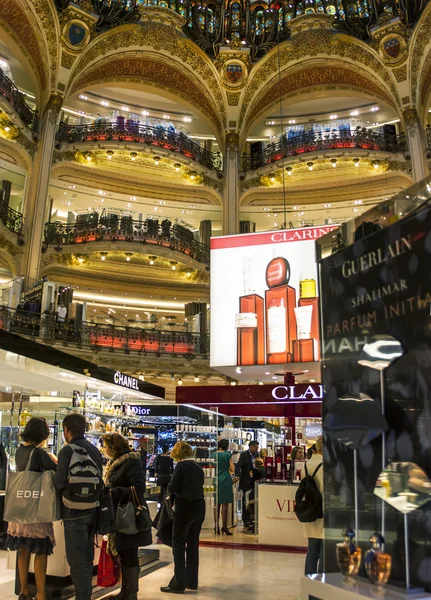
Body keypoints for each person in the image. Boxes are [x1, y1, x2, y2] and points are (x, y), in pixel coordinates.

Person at [6, 417, 57, 600]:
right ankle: (41, 594)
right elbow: (56, 469)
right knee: (41, 551)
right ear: (42, 434)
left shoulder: (19, 451)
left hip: (20, 509)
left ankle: (23, 591)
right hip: (36, 508)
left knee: (23, 549)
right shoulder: (40, 453)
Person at [54, 413, 103, 600]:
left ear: (66, 431)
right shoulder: (94, 450)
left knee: (76, 562)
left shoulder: (67, 451)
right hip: (93, 510)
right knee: (87, 559)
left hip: (72, 512)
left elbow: (59, 482)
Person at [102, 433, 148, 600]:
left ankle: (131, 593)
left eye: (106, 446)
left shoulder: (130, 462)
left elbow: (138, 488)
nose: (104, 449)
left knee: (129, 552)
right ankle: (126, 590)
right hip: (119, 515)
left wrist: (113, 492)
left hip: (128, 516)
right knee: (124, 552)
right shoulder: (116, 463)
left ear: (114, 447)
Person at [161, 441, 205, 594]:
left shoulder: (180, 466)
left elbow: (172, 488)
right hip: (199, 507)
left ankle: (178, 582)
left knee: (178, 543)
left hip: (185, 507)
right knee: (193, 544)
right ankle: (192, 581)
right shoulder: (198, 468)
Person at [303, 436, 324, 575]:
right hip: (324, 510)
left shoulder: (306, 464)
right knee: (324, 552)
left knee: (312, 550)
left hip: (310, 510)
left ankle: (309, 582)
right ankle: (321, 586)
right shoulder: (329, 464)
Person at [236, 440, 259, 526]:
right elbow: (238, 465)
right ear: (251, 447)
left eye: (257, 447)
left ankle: (252, 518)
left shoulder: (257, 455)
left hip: (254, 481)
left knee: (253, 499)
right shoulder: (244, 455)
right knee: (246, 500)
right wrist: (238, 475)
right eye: (256, 447)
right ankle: (245, 519)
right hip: (245, 481)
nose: (257, 449)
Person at [214, 439, 234, 535]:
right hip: (225, 479)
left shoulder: (212, 455)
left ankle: (216, 526)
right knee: (224, 505)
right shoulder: (228, 454)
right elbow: (232, 468)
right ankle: (224, 527)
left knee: (216, 504)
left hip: (216, 480)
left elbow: (210, 467)